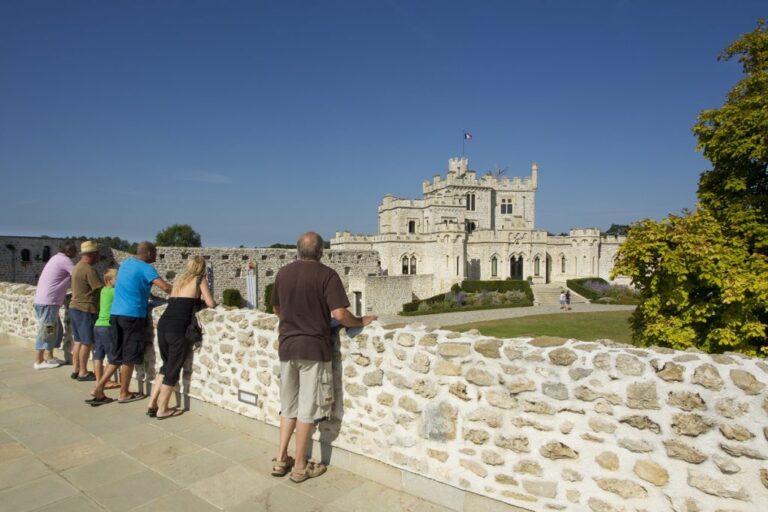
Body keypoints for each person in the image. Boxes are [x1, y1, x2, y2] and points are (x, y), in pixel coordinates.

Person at [270, 232, 377, 483]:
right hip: (313, 349)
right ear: (321, 252)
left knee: (288, 407)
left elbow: (277, 309)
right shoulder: (326, 275)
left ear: (298, 250)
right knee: (307, 409)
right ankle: (299, 467)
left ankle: (280, 458)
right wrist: (360, 321)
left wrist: (295, 320)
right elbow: (340, 314)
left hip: (287, 347)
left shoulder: (283, 273)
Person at [88, 242, 172, 406]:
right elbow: (165, 287)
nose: (156, 256)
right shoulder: (146, 268)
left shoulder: (126, 264)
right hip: (132, 315)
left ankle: (98, 387)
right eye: (154, 252)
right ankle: (124, 393)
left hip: (116, 314)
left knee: (117, 356)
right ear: (147, 253)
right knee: (129, 356)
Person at [147, 256, 215, 419]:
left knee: (166, 365)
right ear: (202, 268)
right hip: (178, 328)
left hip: (164, 325)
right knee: (173, 369)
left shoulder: (179, 280)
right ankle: (163, 409)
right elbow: (211, 303)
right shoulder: (199, 279)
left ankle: (152, 403)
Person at [31, 241, 77, 369]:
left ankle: (49, 356)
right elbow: (77, 275)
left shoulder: (55, 258)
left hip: (45, 301)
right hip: (49, 302)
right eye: (74, 250)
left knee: (56, 330)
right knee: (47, 331)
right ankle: (39, 361)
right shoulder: (65, 260)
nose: (76, 253)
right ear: (68, 251)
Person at [69, 241, 103, 381]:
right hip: (86, 309)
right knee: (86, 342)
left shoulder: (77, 267)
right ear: (91, 255)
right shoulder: (89, 270)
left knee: (78, 340)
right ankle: (83, 372)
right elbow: (99, 288)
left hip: (74, 307)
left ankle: (76, 368)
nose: (98, 257)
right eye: (96, 254)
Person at [93, 269, 120, 388]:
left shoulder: (104, 290)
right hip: (108, 326)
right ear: (109, 280)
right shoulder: (114, 292)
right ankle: (105, 381)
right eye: (117, 279)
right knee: (113, 357)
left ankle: (98, 380)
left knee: (98, 355)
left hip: (98, 324)